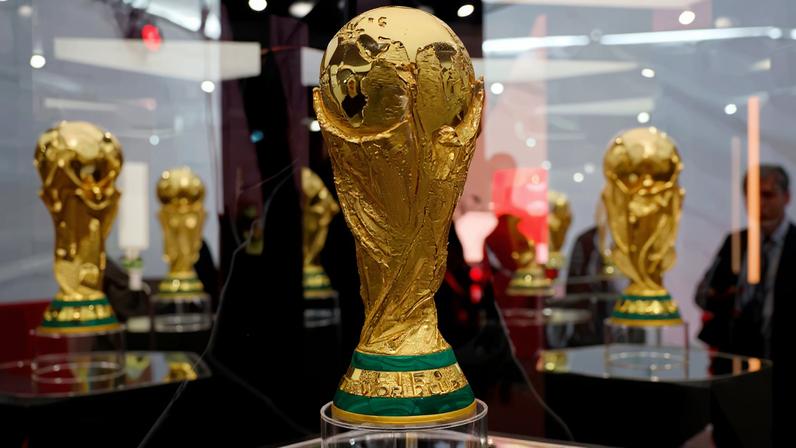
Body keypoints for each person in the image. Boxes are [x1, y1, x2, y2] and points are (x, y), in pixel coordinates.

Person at [695, 164, 795, 361]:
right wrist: (727, 298)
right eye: (753, 195)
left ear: (786, 197)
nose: (760, 204)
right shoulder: (736, 242)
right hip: (738, 356)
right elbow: (702, 295)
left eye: (767, 195)